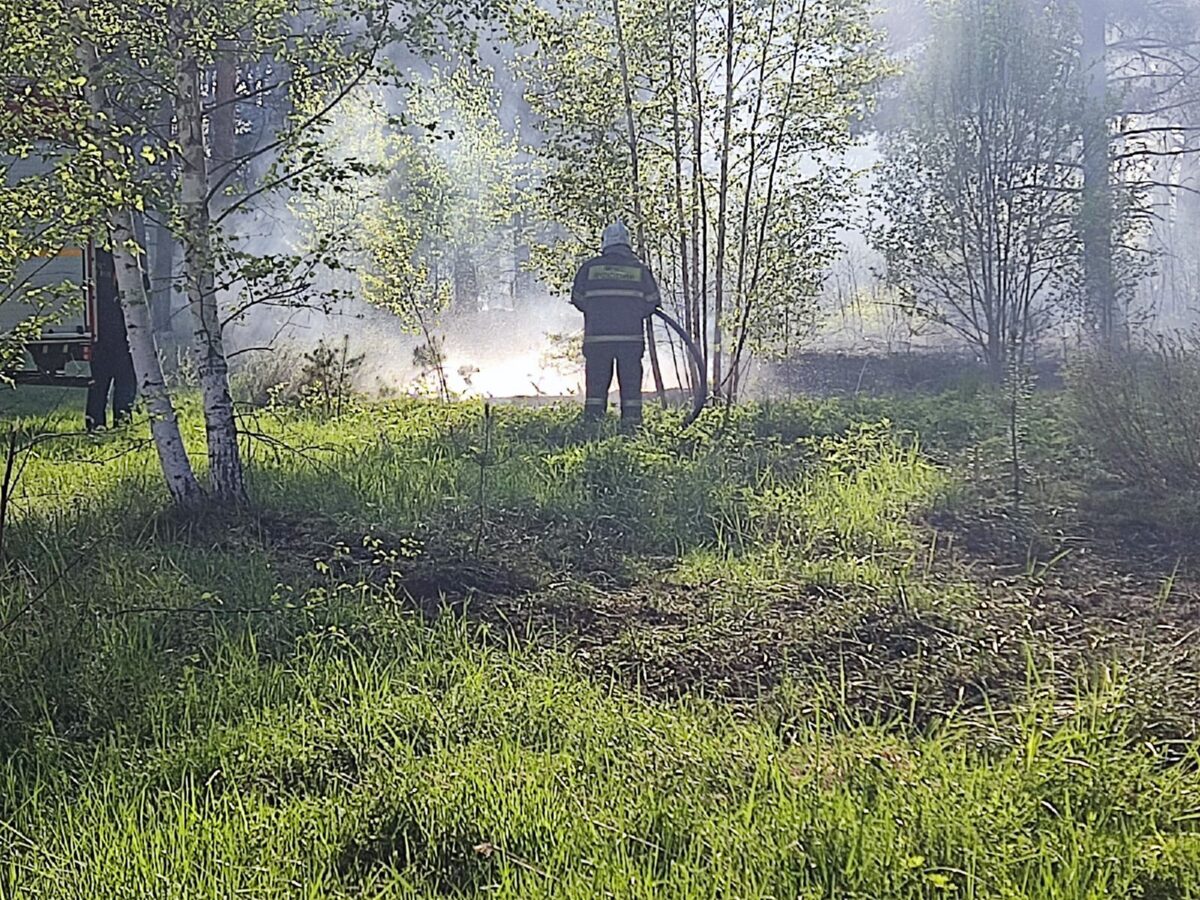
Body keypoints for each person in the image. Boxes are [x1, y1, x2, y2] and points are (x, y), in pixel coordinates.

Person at [570, 221, 661, 429]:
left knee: (596, 387)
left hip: (597, 339)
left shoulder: (589, 269)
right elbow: (652, 302)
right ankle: (631, 428)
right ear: (627, 245)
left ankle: (593, 426)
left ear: (605, 244)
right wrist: (631, 313)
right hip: (630, 340)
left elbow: (577, 299)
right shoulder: (639, 270)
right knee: (630, 388)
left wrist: (598, 312)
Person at [85, 248, 137, 432]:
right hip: (115, 337)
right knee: (124, 381)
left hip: (102, 337)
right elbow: (141, 286)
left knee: (100, 383)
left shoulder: (93, 260)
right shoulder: (122, 258)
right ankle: (120, 424)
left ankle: (96, 423)